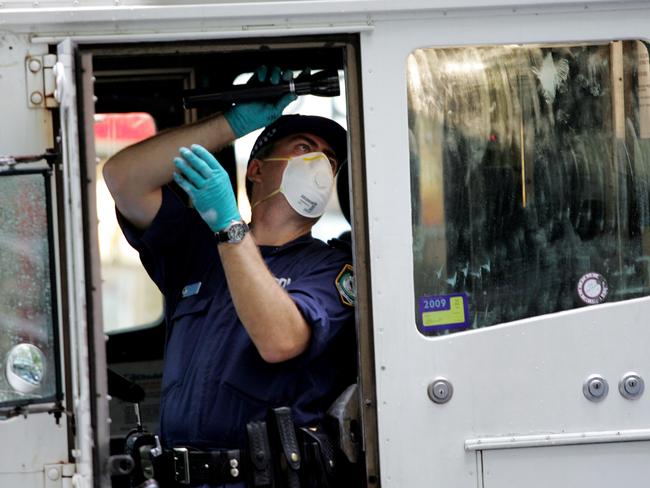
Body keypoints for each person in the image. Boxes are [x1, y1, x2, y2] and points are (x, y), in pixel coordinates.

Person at [103, 66, 357, 487]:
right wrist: (235, 121)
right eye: (303, 147)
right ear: (256, 170)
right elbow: (124, 178)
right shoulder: (198, 251)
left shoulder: (331, 268)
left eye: (329, 160)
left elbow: (281, 340)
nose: (319, 165)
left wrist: (229, 227)